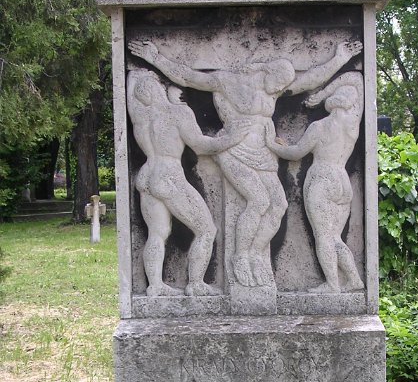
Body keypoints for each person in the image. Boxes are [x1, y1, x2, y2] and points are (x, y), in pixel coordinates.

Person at [128, 38, 363, 288]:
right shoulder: (227, 81)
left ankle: (255, 253)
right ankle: (240, 256)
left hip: (264, 152)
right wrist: (155, 58)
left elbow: (309, 81)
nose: (278, 91)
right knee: (259, 201)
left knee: (278, 205)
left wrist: (339, 59)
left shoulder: (274, 87)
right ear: (267, 73)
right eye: (277, 84)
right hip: (234, 149)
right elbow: (188, 77)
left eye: (281, 87)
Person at [127, 69, 250, 297]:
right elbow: (201, 146)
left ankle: (155, 285)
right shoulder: (177, 112)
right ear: (159, 89)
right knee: (206, 230)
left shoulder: (140, 115)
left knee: (157, 233)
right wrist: (232, 139)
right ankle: (195, 283)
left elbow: (131, 87)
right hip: (169, 176)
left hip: (146, 176)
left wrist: (138, 74)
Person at [265, 71, 365, 294]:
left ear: (331, 104)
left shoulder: (319, 127)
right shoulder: (352, 126)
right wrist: (326, 92)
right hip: (342, 181)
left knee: (323, 236)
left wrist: (273, 146)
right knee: (334, 237)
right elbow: (356, 79)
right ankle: (354, 280)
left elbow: (296, 153)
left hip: (322, 178)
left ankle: (332, 284)